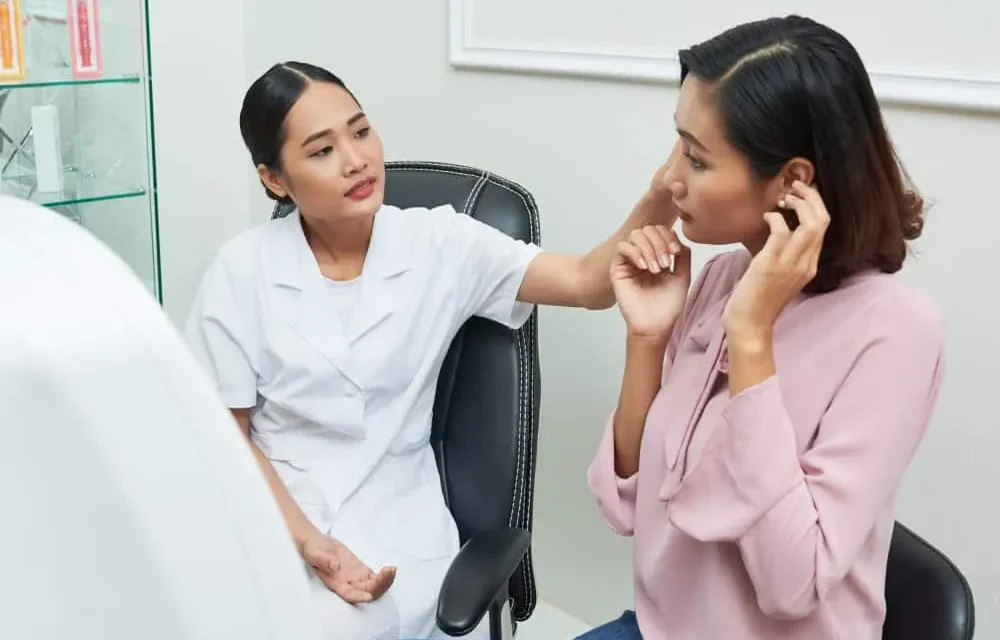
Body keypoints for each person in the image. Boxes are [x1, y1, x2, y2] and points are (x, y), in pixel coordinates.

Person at [184, 61, 678, 640]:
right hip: (273, 515)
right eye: (322, 151)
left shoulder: (441, 243)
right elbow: (225, 434)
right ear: (274, 180)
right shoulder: (241, 270)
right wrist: (308, 541)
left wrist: (662, 193)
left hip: (395, 526)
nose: (356, 160)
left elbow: (588, 282)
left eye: (361, 131)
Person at [583, 15, 944, 640]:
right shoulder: (721, 278)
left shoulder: (896, 330)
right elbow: (626, 507)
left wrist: (751, 337)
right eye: (678, 145)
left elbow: (791, 584)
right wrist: (646, 339)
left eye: (697, 159)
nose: (669, 180)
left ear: (792, 181)